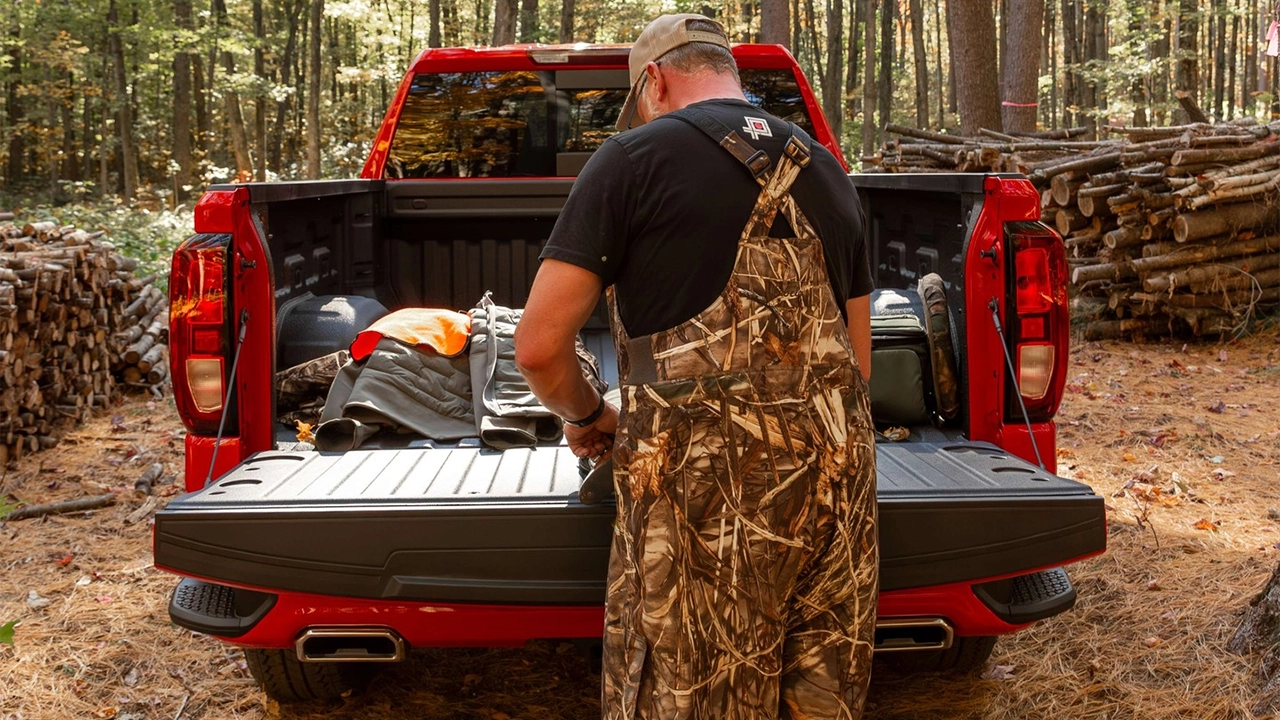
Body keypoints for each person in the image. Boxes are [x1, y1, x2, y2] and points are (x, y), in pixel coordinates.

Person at [514, 13, 877, 719]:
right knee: (821, 694)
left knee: (689, 696)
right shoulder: (827, 168)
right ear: (729, 73)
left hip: (706, 493)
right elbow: (856, 362)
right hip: (838, 477)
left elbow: (536, 346)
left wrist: (588, 415)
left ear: (653, 80)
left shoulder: (631, 159)